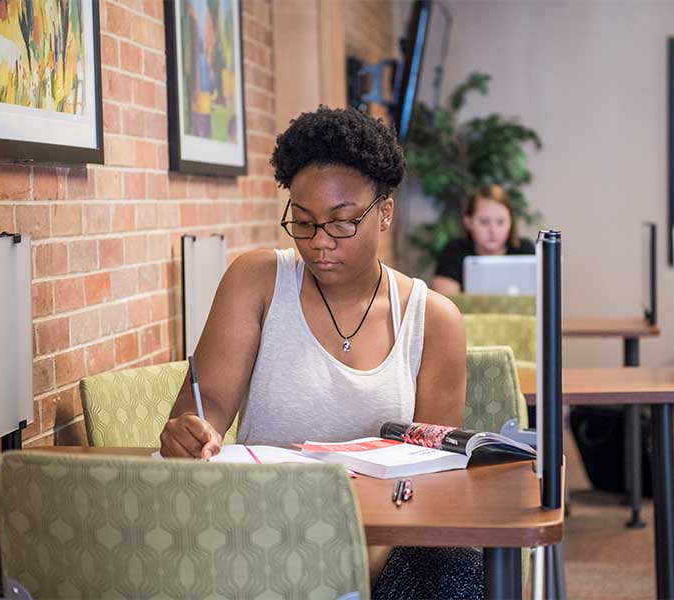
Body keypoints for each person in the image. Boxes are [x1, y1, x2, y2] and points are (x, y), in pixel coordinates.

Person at [159, 107, 480, 596]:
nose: (320, 243)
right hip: (259, 523)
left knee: (459, 575)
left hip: (385, 535)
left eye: (342, 222)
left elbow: (431, 476)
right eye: (304, 222)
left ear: (385, 212)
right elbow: (209, 406)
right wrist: (191, 430)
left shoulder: (432, 320)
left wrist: (354, 553)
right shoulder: (258, 281)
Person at [430, 185, 535, 296]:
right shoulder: (455, 251)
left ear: (511, 222)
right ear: (468, 222)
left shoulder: (525, 250)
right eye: (484, 222)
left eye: (500, 222)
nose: (493, 230)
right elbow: (446, 302)